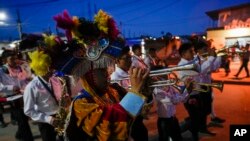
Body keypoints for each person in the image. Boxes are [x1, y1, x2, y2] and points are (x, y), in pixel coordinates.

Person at [51, 10, 153, 141]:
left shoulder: (115, 90)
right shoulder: (82, 104)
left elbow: (138, 114)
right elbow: (111, 127)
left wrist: (145, 91)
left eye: (106, 69)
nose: (107, 73)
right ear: (89, 75)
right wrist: (135, 91)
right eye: (101, 71)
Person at [111, 47, 149, 141]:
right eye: (126, 59)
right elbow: (121, 101)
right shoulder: (115, 77)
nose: (130, 61)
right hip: (129, 120)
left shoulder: (129, 73)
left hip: (137, 117)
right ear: (117, 61)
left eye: (130, 58)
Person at [0, 49, 34, 141]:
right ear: (4, 60)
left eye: (15, 58)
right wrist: (11, 88)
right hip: (12, 98)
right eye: (11, 59)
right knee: (22, 120)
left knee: (23, 120)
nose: (15, 61)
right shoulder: (1, 71)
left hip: (24, 95)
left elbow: (29, 78)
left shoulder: (21, 68)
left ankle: (19, 134)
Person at [153, 68, 191, 141]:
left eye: (166, 72)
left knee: (178, 138)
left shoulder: (169, 86)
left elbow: (180, 99)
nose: (167, 74)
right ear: (158, 75)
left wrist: (187, 91)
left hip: (173, 118)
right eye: (164, 72)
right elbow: (173, 100)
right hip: (164, 121)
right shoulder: (157, 89)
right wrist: (186, 91)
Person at [177, 43, 202, 141]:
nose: (193, 53)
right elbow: (196, 73)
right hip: (190, 95)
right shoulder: (182, 65)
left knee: (197, 116)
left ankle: (191, 129)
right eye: (191, 51)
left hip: (196, 93)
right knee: (195, 118)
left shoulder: (191, 62)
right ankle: (178, 131)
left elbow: (199, 72)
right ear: (183, 54)